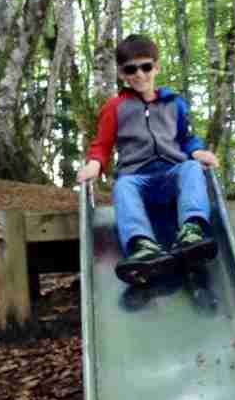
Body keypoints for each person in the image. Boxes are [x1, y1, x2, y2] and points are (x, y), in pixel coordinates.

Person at [77, 34, 220, 285]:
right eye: (131, 69)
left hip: (171, 175)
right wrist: (94, 165)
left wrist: (197, 152)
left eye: (146, 67)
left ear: (157, 67)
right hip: (137, 177)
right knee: (123, 186)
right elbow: (102, 145)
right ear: (122, 73)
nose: (140, 74)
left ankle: (191, 231)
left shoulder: (174, 103)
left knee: (190, 168)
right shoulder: (115, 107)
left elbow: (186, 138)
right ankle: (143, 245)